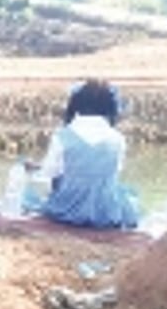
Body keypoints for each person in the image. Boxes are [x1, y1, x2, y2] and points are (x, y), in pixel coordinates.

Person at [34, 79, 140, 229]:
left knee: (30, 195)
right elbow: (113, 174)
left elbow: (49, 174)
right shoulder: (117, 139)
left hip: (67, 210)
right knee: (128, 193)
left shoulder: (63, 136)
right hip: (106, 212)